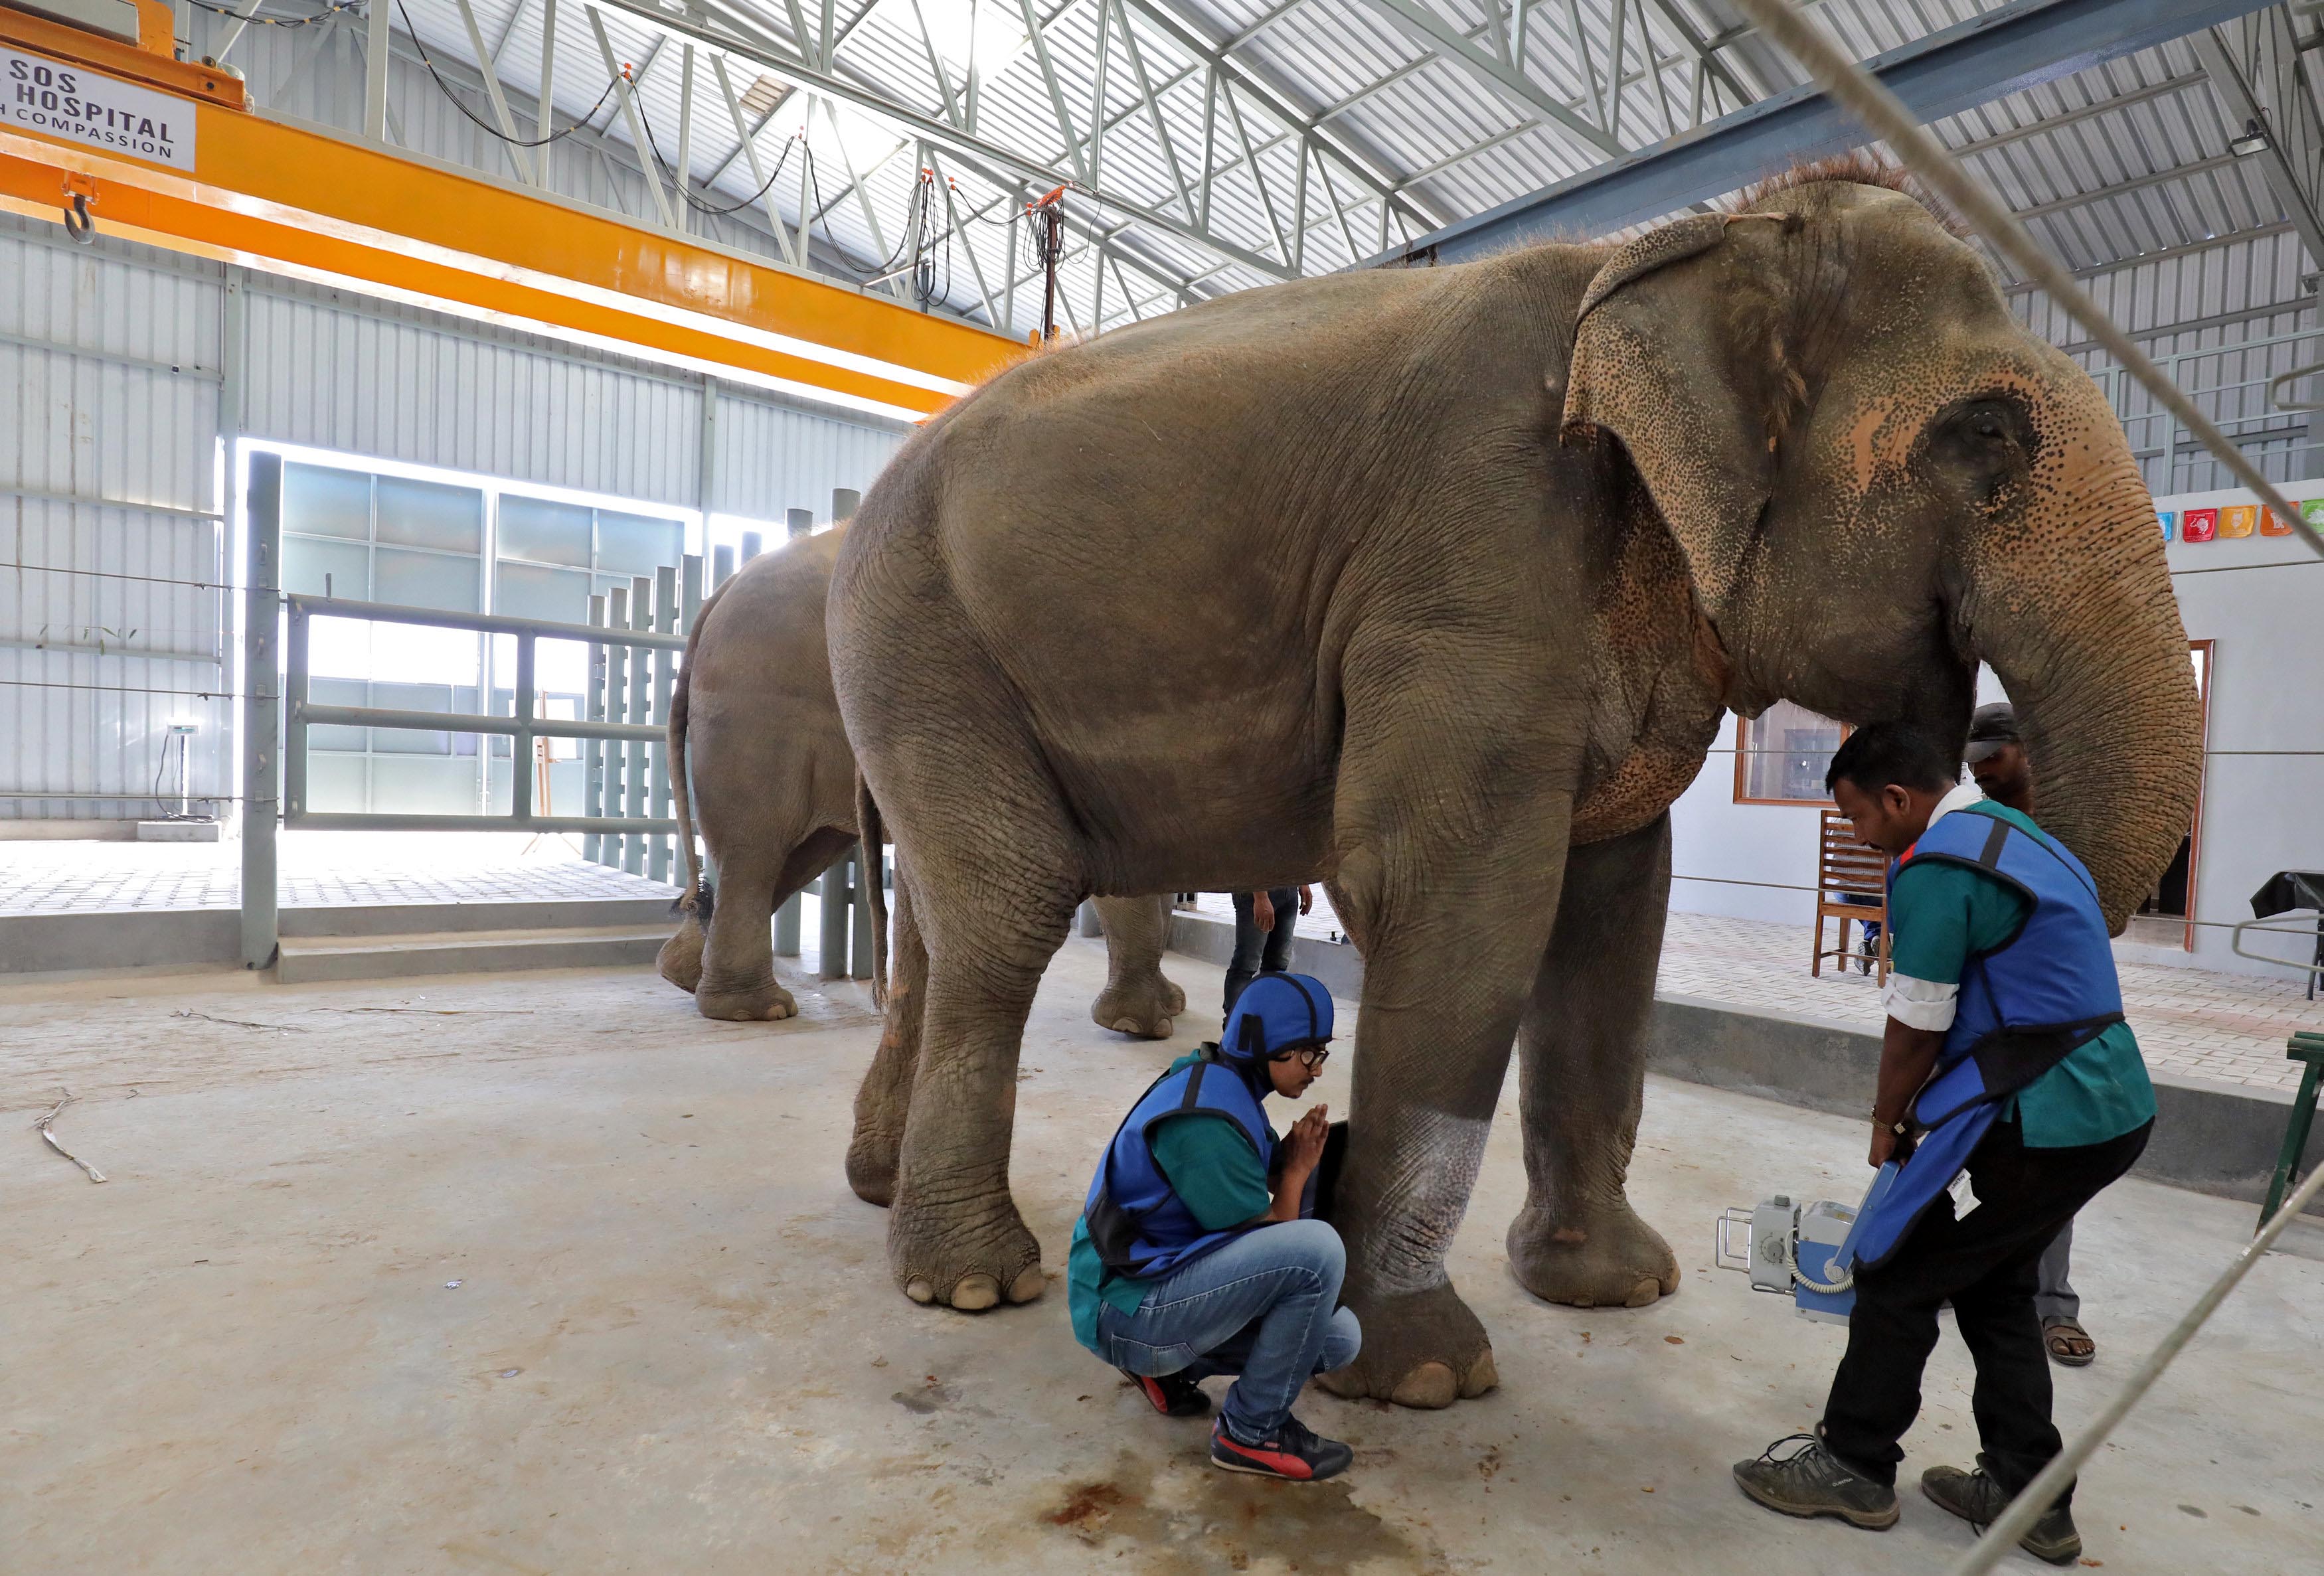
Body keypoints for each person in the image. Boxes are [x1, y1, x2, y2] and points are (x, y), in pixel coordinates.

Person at [1734, 723, 2155, 1567]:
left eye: (1858, 818)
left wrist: (1885, 1122)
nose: (1859, 836)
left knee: (1897, 1273)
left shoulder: (1939, 865)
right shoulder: (2016, 835)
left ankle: (1853, 1464)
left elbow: (1916, 1024)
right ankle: (2027, 1496)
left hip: (2041, 1117)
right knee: (1997, 1288)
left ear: (1898, 799)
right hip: (2108, 1108)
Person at [1068, 972, 1361, 1482]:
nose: (1317, 1070)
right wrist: (1295, 1172)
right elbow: (1282, 1243)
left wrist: (1296, 1161)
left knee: (1339, 1338)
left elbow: (1261, 1172)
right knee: (1317, 1254)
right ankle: (1250, 1433)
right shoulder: (1206, 1122)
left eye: (1322, 1055)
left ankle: (1171, 1368)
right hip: (1124, 1308)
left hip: (1154, 1283)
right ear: (1268, 1047)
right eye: (1309, 1053)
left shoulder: (1226, 1082)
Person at [1965, 702, 2095, 1368]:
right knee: (1958, 1147)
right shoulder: (1975, 825)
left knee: (2047, 1159)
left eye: (1992, 753)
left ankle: (2051, 1307)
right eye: (1973, 757)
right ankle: (1945, 1272)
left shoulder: (2065, 827)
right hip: (1983, 1008)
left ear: (2026, 750)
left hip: (2051, 1017)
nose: (1980, 768)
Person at [1224, 886, 1314, 1022]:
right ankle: (1235, 1026)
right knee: (1246, 964)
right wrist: (1260, 896)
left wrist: (1303, 883)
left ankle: (1266, 1021)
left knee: (1278, 965)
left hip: (1288, 889)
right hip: (1255, 892)